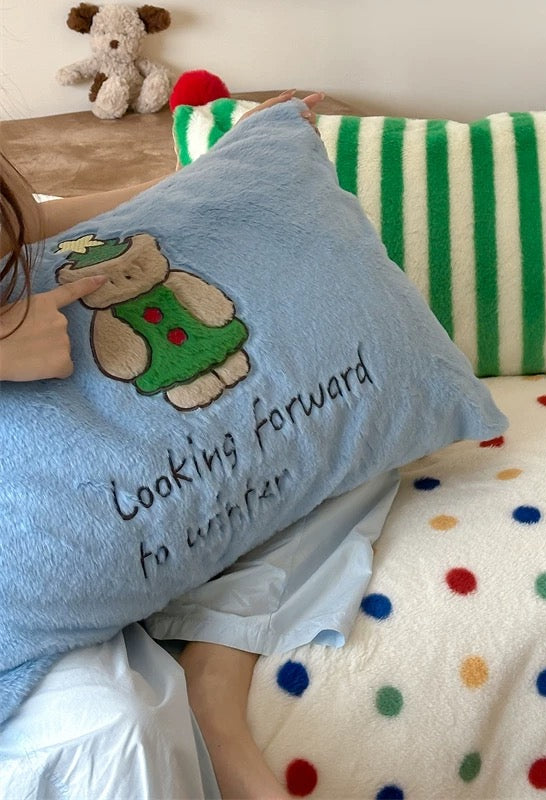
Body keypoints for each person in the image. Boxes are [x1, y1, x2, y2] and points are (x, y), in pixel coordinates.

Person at [0, 90, 339, 800]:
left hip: (50, 488)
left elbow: (43, 221)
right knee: (116, 728)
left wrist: (219, 165)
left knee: (323, 415)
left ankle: (217, 674)